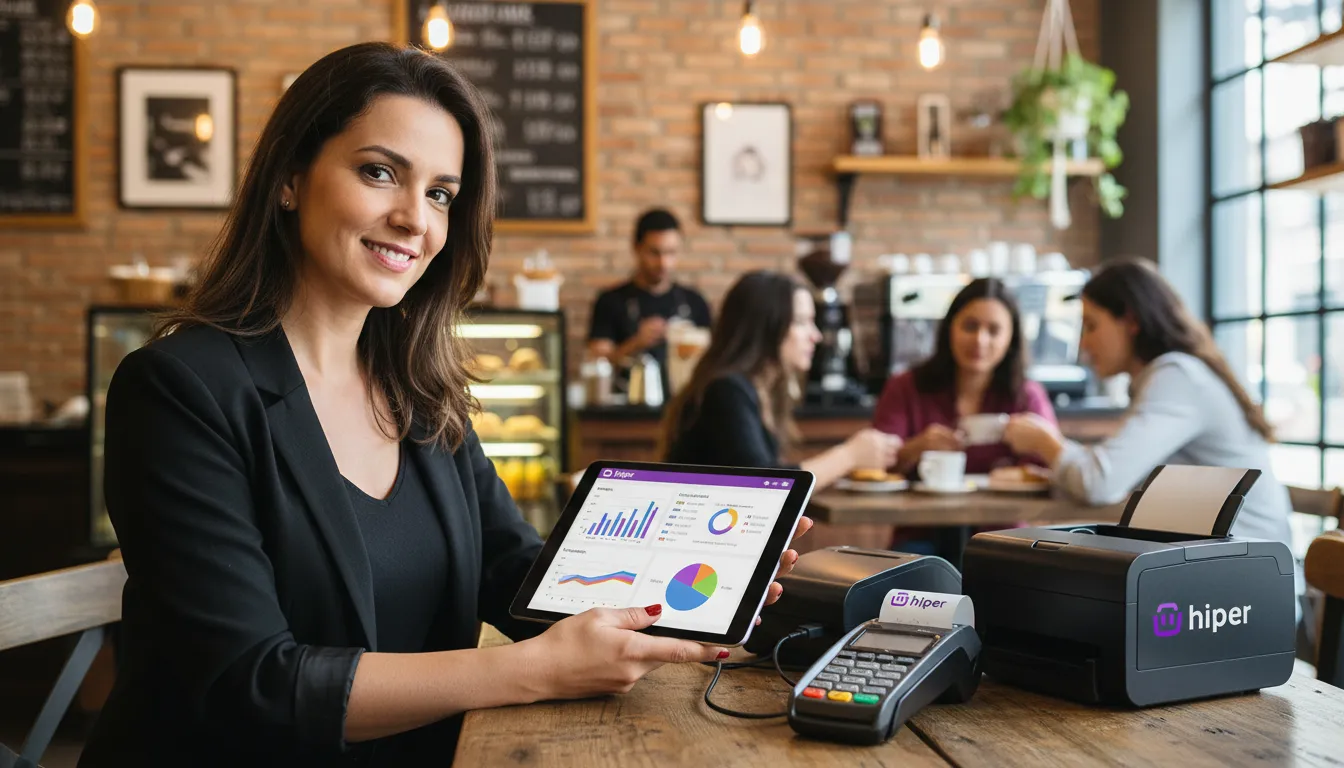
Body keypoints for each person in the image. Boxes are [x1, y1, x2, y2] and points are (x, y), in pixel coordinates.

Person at [78, 43, 809, 768]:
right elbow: (252, 685)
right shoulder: (178, 391)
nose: (414, 218)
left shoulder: (419, 394)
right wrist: (536, 670)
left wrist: (686, 583)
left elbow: (517, 574)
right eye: (379, 172)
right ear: (290, 178)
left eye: (440, 194)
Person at [1002, 258, 1295, 549]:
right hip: (1235, 560)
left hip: (1248, 574)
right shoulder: (1177, 375)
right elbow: (1115, 477)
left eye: (1091, 325)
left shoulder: (1177, 377)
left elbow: (1099, 482)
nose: (1083, 345)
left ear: (1130, 321)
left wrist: (1046, 443)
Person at [662, 271, 900, 488]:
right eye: (801, 322)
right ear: (766, 327)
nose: (815, 336)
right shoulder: (725, 390)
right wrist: (849, 455)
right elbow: (763, 484)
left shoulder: (757, 389)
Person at [873, 277, 1058, 478]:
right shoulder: (906, 387)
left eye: (994, 330)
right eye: (970, 327)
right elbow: (872, 466)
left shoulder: (1027, 395)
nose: (980, 340)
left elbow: (1051, 467)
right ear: (950, 328)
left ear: (1011, 340)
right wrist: (916, 449)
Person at [586, 208, 712, 389]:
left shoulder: (694, 302)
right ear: (636, 248)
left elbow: (715, 359)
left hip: (685, 404)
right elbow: (596, 363)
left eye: (671, 253)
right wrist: (635, 343)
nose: (663, 263)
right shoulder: (610, 301)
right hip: (626, 407)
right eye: (655, 253)